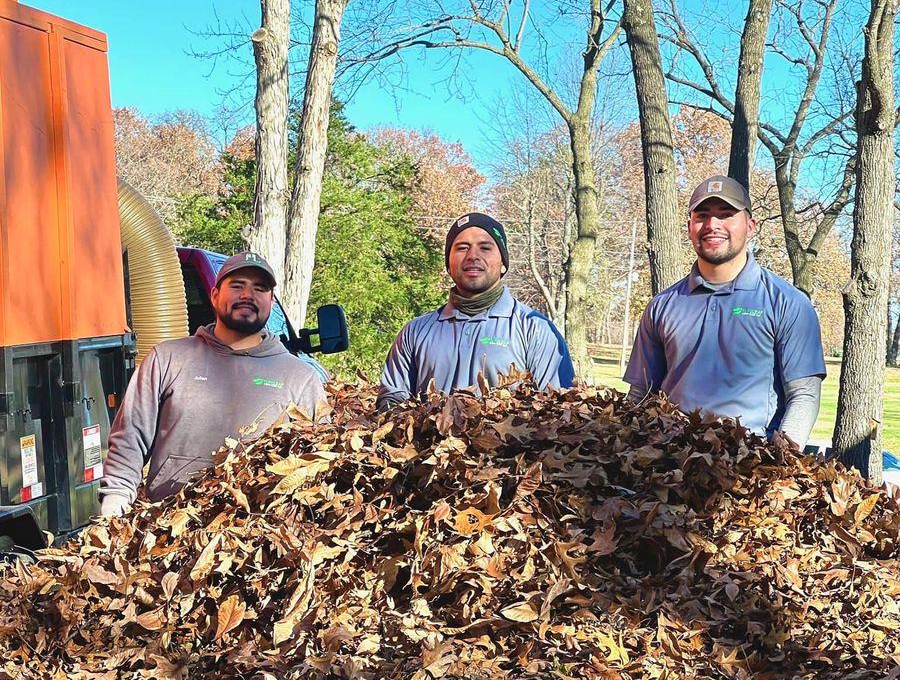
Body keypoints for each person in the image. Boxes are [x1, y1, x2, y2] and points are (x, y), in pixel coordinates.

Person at [98, 251, 328, 516]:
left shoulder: (300, 377)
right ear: (215, 295)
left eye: (259, 288)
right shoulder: (168, 359)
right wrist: (114, 501)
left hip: (260, 536)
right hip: (166, 528)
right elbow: (130, 438)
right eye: (237, 285)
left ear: (271, 302)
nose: (247, 295)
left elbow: (317, 461)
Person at [624, 175, 825, 448]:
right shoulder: (662, 305)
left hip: (747, 467)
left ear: (750, 226)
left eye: (726, 215)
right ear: (689, 227)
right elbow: (640, 394)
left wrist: (779, 464)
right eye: (702, 215)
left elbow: (803, 395)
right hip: (667, 464)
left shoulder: (787, 303)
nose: (712, 225)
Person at [377, 212, 575, 410]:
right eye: (462, 248)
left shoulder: (536, 330)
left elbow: (557, 412)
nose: (473, 256)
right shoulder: (415, 332)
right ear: (448, 264)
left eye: (485, 247)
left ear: (503, 264)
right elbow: (391, 402)